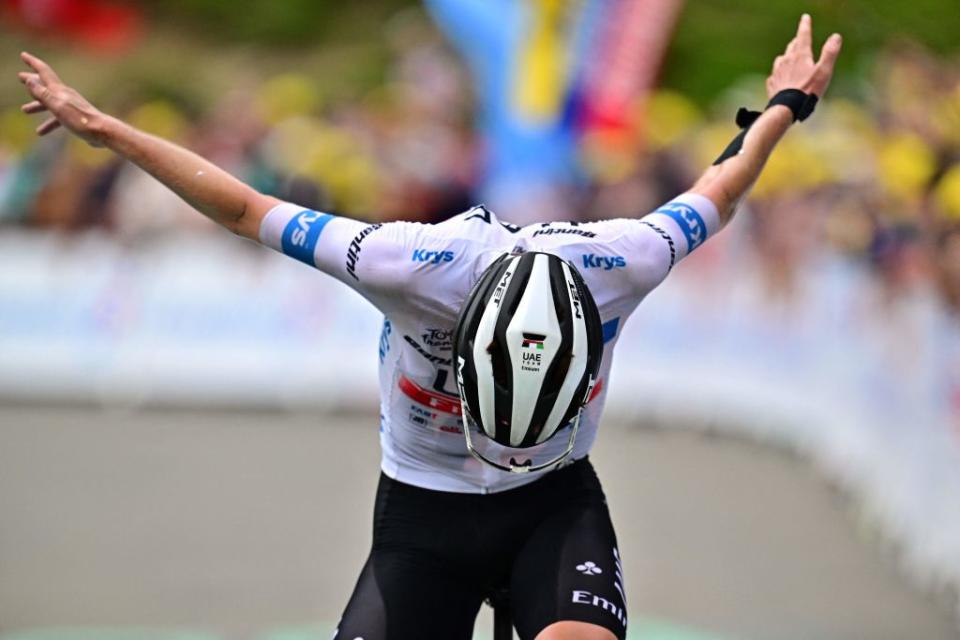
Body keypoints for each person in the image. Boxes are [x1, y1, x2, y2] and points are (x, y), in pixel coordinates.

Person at [16, 14, 842, 640]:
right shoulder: (410, 265)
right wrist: (106, 132)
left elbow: (722, 189)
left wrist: (783, 106)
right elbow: (241, 206)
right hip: (423, 516)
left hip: (550, 503)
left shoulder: (619, 261)